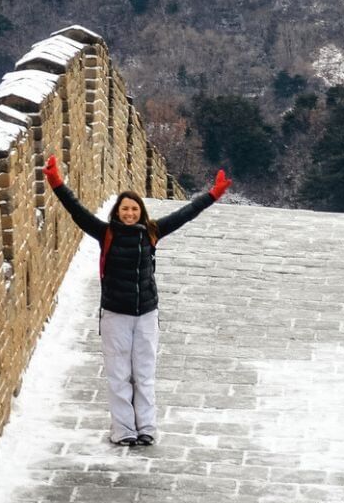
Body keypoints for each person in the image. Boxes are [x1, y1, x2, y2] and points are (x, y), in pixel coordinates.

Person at [45, 156, 230, 447]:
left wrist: (212, 195)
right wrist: (57, 183)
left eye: (134, 209)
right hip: (115, 315)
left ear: (140, 212)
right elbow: (77, 212)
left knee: (144, 375)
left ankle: (146, 427)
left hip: (145, 313)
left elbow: (185, 214)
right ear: (117, 212)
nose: (129, 213)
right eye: (125, 209)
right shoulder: (106, 233)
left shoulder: (152, 233)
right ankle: (123, 430)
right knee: (119, 375)